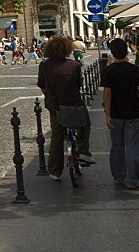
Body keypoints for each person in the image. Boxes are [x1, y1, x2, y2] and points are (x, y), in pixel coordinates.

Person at [37, 36, 94, 181]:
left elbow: (42, 85)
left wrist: (50, 96)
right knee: (84, 125)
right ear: (67, 49)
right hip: (74, 104)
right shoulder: (74, 65)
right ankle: (83, 152)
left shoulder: (44, 66)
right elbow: (78, 85)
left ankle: (55, 171)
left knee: (56, 136)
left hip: (55, 106)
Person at [101, 38, 139, 190]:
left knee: (117, 145)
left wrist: (107, 114)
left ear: (112, 53)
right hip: (133, 111)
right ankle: (132, 179)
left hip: (115, 112)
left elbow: (107, 93)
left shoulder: (108, 71)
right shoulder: (135, 70)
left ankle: (119, 175)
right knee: (133, 146)